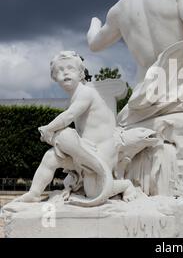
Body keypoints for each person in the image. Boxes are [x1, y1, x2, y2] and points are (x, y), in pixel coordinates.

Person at [16, 51, 139, 205]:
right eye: (60, 71)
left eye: (70, 68)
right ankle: (34, 193)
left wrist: (48, 128)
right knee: (50, 158)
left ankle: (125, 186)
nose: (65, 72)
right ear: (54, 78)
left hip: (102, 150)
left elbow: (69, 116)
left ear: (81, 74)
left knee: (93, 191)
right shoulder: (74, 98)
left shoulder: (86, 93)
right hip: (84, 150)